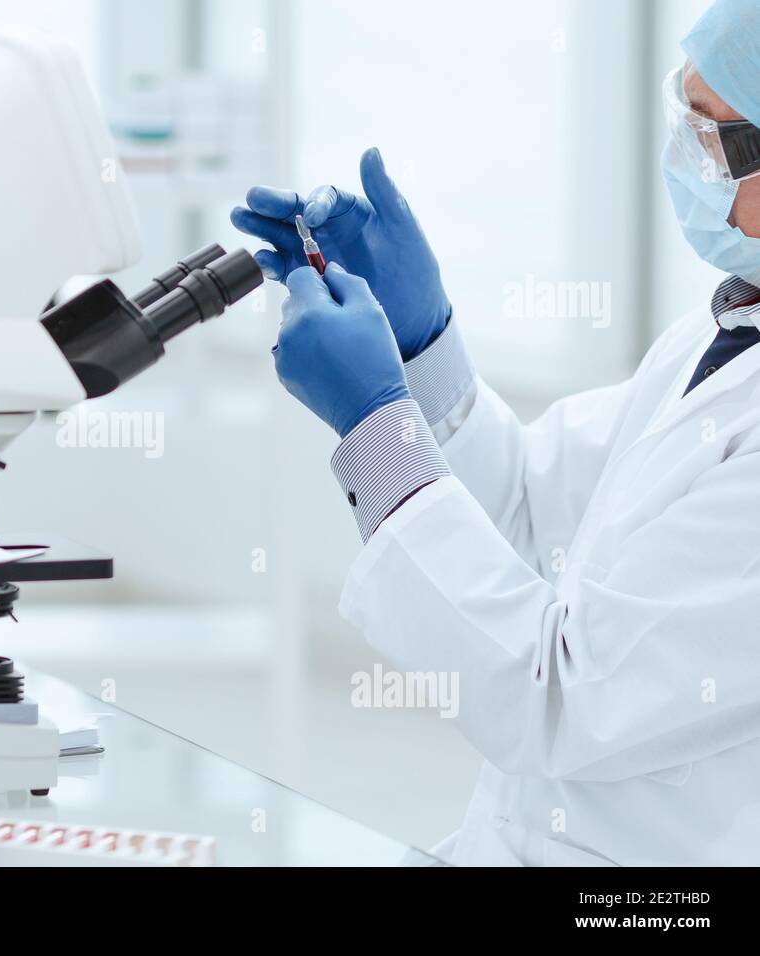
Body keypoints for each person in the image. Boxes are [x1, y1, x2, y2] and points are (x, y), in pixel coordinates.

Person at [232, 0, 760, 866]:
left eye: (717, 139)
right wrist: (421, 345)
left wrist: (374, 426)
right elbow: (531, 516)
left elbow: (560, 697)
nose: (688, 161)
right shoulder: (725, 331)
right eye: (685, 118)